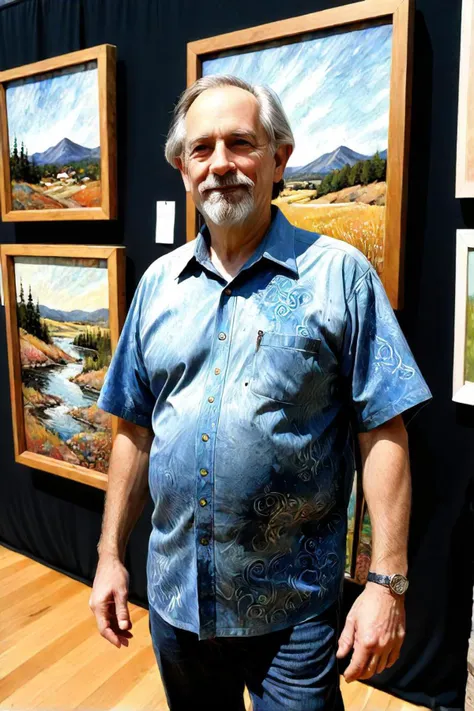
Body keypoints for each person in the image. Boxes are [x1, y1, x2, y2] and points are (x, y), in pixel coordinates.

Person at [89, 75, 432, 710]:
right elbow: (135, 430)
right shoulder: (158, 286)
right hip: (177, 604)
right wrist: (110, 555)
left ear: (279, 158)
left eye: (241, 143)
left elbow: (384, 429)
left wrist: (386, 582)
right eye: (201, 149)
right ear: (182, 168)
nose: (220, 164)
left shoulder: (340, 277)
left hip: (293, 613)